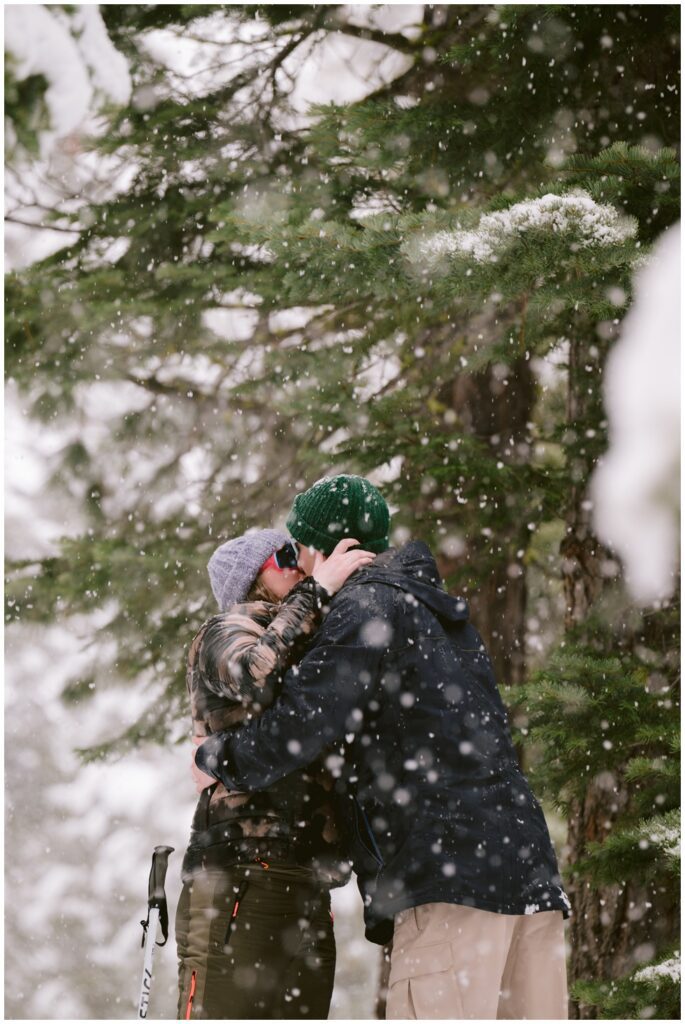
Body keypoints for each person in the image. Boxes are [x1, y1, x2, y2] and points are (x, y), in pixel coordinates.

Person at [196, 474, 572, 1020]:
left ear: (328, 549)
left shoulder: (365, 606)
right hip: (528, 875)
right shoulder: (436, 608)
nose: (299, 566)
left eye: (297, 549)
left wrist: (217, 758)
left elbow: (300, 725)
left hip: (450, 880)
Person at [176, 527, 376, 1020]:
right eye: (283, 554)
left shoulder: (312, 640)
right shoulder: (222, 632)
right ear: (251, 578)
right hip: (240, 875)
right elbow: (251, 673)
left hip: (307, 882)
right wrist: (317, 590)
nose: (299, 562)